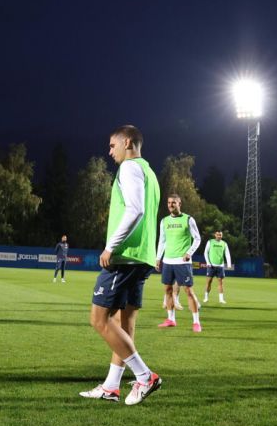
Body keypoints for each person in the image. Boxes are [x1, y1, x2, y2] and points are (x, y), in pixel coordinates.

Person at [79, 124, 162, 406]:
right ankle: (112, 386)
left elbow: (135, 209)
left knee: (99, 319)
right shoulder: (150, 172)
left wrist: (111, 246)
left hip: (125, 256)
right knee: (123, 322)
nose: (109, 150)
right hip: (142, 257)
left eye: (112, 145)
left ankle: (145, 376)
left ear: (127, 143)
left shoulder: (129, 168)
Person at [155, 194, 203, 331]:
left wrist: (189, 253)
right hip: (168, 261)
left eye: (174, 203)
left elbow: (197, 239)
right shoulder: (164, 221)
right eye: (169, 202)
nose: (171, 205)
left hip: (182, 262)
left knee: (188, 291)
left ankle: (196, 322)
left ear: (179, 204)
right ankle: (171, 319)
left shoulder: (188, 219)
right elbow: (162, 241)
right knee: (168, 290)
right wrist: (158, 258)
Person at [203, 231, 232, 304]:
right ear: (215, 235)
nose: (219, 236)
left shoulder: (224, 243)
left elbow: (227, 254)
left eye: (220, 235)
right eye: (218, 235)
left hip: (220, 266)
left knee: (220, 283)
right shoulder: (210, 242)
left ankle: (221, 299)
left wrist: (229, 264)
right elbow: (205, 252)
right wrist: (208, 263)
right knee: (209, 282)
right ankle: (206, 297)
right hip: (211, 266)